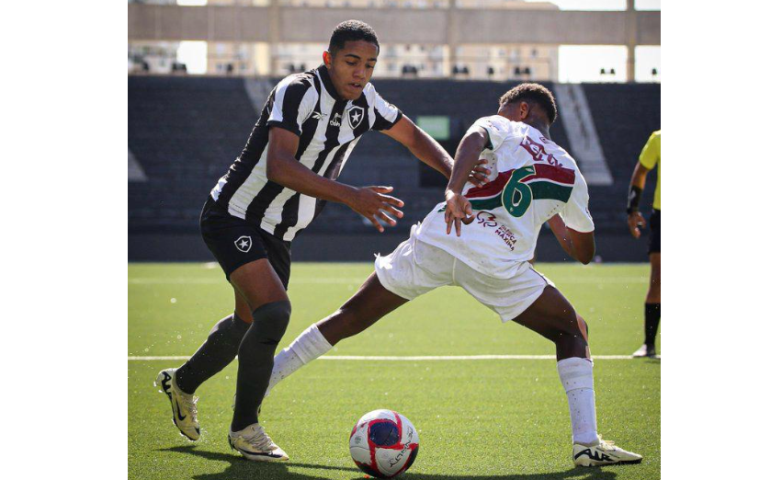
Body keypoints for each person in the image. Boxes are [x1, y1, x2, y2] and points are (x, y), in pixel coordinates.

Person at [154, 20, 488, 461]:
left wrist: (453, 176)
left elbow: (411, 134)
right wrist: (353, 197)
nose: (360, 73)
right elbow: (279, 166)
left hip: (280, 232)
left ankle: (182, 382)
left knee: (246, 324)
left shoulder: (366, 102)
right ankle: (245, 428)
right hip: (233, 215)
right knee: (273, 314)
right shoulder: (297, 90)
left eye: (369, 65)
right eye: (351, 62)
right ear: (328, 59)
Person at [265, 83, 643, 467]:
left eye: (505, 107)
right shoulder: (569, 172)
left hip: (444, 235)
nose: (500, 111)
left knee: (351, 316)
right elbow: (583, 252)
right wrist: (554, 217)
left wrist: (452, 191)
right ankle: (586, 442)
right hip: (497, 263)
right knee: (572, 330)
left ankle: (257, 389)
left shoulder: (502, 125)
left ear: (524, 109)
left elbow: (474, 137)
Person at [626, 130, 661, 358]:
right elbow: (640, 172)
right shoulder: (659, 138)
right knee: (658, 278)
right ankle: (649, 344)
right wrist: (633, 208)